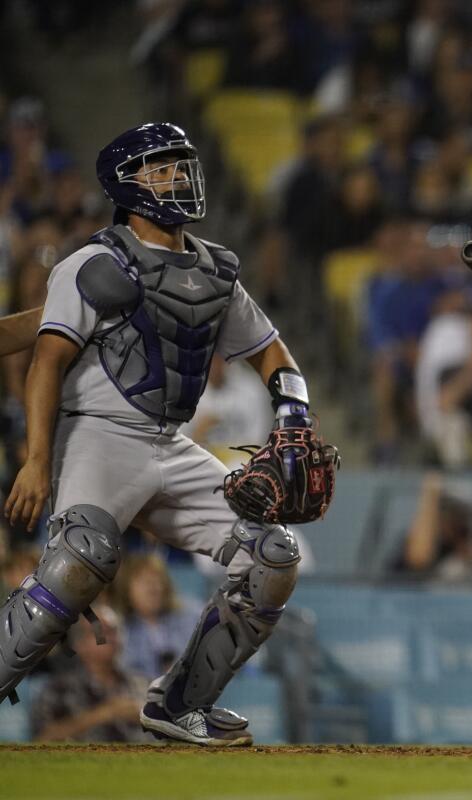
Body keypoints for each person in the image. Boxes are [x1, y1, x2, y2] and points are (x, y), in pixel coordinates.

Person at [0, 123, 330, 746]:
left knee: (273, 556)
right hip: (96, 435)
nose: (176, 177)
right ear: (124, 186)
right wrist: (36, 459)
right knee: (79, 564)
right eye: (160, 168)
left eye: (181, 165)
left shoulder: (214, 268)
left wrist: (293, 415)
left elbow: (272, 353)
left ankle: (179, 705)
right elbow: (45, 359)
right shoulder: (92, 261)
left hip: (171, 442)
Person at [30, 605, 147, 742]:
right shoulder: (58, 691)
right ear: (79, 644)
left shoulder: (143, 685)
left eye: (114, 631)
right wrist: (104, 714)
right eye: (100, 631)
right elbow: (42, 740)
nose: (111, 638)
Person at [110, 553, 200, 680]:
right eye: (144, 581)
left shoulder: (192, 616)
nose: (153, 587)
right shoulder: (121, 628)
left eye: (158, 580)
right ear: (127, 589)